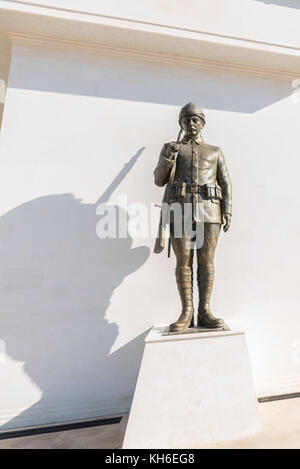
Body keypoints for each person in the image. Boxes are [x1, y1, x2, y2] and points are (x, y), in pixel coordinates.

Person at [154, 103, 232, 332]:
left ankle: (205, 310)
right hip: (180, 210)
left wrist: (227, 210)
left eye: (195, 120)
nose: (191, 124)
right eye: (186, 120)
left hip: (210, 211)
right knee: (184, 262)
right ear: (180, 123)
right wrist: (169, 157)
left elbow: (225, 182)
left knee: (206, 261)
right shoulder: (171, 148)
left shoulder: (214, 151)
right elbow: (159, 180)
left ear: (202, 123)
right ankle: (186, 311)